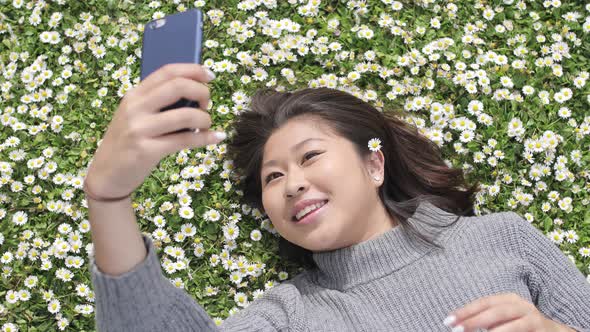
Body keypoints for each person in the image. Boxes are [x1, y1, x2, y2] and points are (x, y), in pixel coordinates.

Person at [85, 63, 590, 332]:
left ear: (374, 163)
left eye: (309, 158)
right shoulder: (290, 316)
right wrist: (107, 201)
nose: (293, 185)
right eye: (272, 178)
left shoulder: (501, 238)